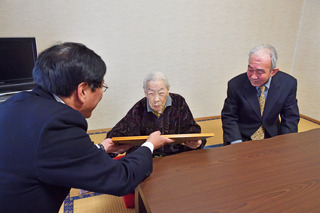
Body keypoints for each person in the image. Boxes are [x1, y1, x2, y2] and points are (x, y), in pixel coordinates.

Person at [0, 42, 173, 213]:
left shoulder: (16, 101)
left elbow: (54, 155)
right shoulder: (58, 125)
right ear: (83, 91)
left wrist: (101, 148)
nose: (156, 98)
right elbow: (121, 179)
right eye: (101, 87)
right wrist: (150, 145)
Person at [107, 72, 206, 157]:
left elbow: (192, 130)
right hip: (147, 161)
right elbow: (117, 135)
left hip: (175, 159)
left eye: (161, 93)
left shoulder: (178, 102)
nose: (156, 99)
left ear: (168, 90)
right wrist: (111, 149)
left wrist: (197, 142)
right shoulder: (139, 108)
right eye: (151, 93)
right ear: (145, 92)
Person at [221, 44, 300, 145]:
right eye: (250, 70)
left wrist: (285, 143)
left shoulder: (288, 84)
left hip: (272, 137)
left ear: (273, 72)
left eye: (260, 72)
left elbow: (290, 118)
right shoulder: (235, 84)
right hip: (242, 137)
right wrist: (236, 143)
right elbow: (229, 117)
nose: (253, 76)